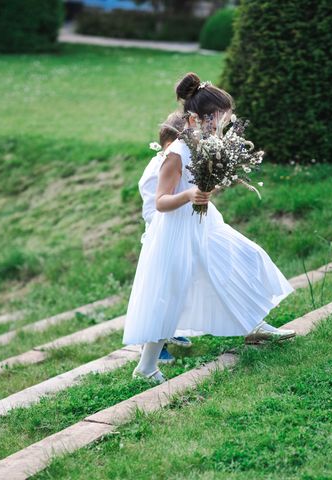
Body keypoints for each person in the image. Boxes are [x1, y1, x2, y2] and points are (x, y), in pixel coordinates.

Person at [123, 72, 296, 383]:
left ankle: (253, 324)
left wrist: (208, 187)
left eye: (223, 117)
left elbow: (202, 185)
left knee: (243, 256)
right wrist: (191, 194)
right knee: (169, 292)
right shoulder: (176, 152)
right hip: (176, 230)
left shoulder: (207, 144)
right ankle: (146, 367)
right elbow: (161, 201)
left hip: (204, 224)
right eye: (216, 118)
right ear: (195, 118)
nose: (221, 123)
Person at [137, 111, 194, 363]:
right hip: (161, 231)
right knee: (161, 289)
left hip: (179, 227)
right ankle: (151, 343)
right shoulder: (161, 165)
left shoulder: (175, 159)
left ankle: (172, 329)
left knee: (181, 283)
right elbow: (153, 207)